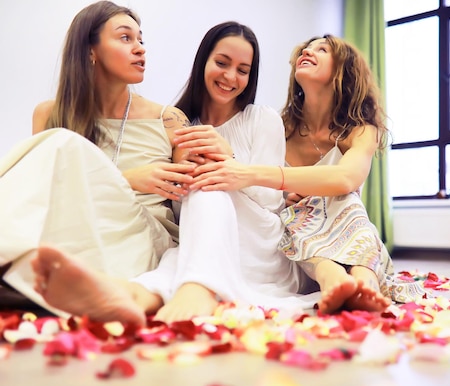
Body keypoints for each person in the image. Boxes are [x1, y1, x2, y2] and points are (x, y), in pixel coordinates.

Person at [30, 21, 319, 326]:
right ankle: (132, 294)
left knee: (206, 183)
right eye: (221, 63)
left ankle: (200, 287)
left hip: (258, 242)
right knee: (177, 257)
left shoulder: (262, 119)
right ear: (203, 62)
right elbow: (179, 211)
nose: (230, 77)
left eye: (243, 70)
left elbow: (271, 204)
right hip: (200, 239)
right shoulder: (181, 124)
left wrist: (229, 160)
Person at [0, 1, 196, 316]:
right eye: (125, 38)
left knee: (63, 143)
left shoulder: (169, 119)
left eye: (141, 40)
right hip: (78, 229)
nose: (140, 49)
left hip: (143, 237)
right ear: (90, 50)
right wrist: (127, 179)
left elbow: (193, 201)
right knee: (58, 146)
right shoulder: (50, 114)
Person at [181, 35, 394, 314]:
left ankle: (364, 280)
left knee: (346, 200)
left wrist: (258, 176)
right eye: (306, 48)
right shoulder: (280, 125)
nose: (308, 50)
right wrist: (285, 195)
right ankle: (334, 280)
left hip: (347, 230)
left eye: (322, 49)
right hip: (294, 236)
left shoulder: (361, 130)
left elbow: (345, 179)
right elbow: (264, 200)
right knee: (296, 217)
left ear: (345, 71)